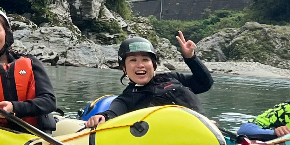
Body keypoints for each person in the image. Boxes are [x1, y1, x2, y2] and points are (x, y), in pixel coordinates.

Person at [82, 32, 211, 129]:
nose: (140, 65)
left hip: (204, 131)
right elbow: (113, 113)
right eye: (133, 60)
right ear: (124, 68)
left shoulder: (172, 78)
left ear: (153, 64)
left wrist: (191, 58)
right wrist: (102, 117)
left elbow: (205, 83)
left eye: (145, 59)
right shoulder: (127, 98)